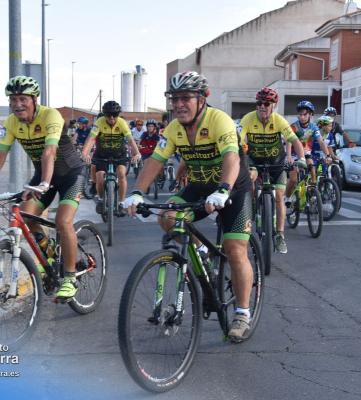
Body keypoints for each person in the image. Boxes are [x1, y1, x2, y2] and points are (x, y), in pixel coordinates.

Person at [122, 71, 255, 342]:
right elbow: (156, 160)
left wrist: (224, 189)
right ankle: (203, 251)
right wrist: (137, 192)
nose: (178, 104)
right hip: (199, 185)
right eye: (174, 99)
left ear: (203, 99)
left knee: (235, 248)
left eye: (185, 98)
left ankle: (242, 312)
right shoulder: (173, 129)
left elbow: (231, 157)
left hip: (233, 188)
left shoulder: (219, 121)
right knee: (168, 217)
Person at [0, 75, 86, 300]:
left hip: (71, 174)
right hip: (43, 176)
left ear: (34, 99)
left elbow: (49, 152)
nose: (17, 104)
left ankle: (70, 279)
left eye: (23, 98)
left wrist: (44, 184)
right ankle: (50, 256)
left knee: (63, 221)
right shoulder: (12, 123)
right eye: (13, 99)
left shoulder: (50, 115)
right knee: (26, 215)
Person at [239, 87, 306, 254]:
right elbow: (237, 139)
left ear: (274, 105)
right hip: (255, 161)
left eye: (266, 103)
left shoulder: (279, 121)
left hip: (276, 163)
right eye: (259, 103)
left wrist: (302, 159)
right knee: (250, 179)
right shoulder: (248, 119)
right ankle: (251, 209)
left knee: (279, 197)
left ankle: (280, 236)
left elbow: (294, 141)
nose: (262, 106)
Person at [81, 101, 141, 216]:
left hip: (119, 154)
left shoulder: (122, 123)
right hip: (102, 154)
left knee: (121, 173)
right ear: (104, 115)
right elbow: (91, 139)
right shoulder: (99, 122)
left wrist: (137, 153)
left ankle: (121, 203)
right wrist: (85, 153)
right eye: (108, 115)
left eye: (115, 115)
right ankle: (101, 199)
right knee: (99, 176)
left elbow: (130, 140)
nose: (112, 118)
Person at [288, 101, 332, 187]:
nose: (302, 117)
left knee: (311, 166)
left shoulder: (313, 127)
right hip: (293, 155)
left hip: (306, 154)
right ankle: (288, 197)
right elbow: (289, 142)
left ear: (311, 115)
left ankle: (313, 189)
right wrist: (289, 156)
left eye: (305, 115)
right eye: (300, 115)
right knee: (293, 179)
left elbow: (321, 142)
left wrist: (328, 155)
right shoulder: (294, 126)